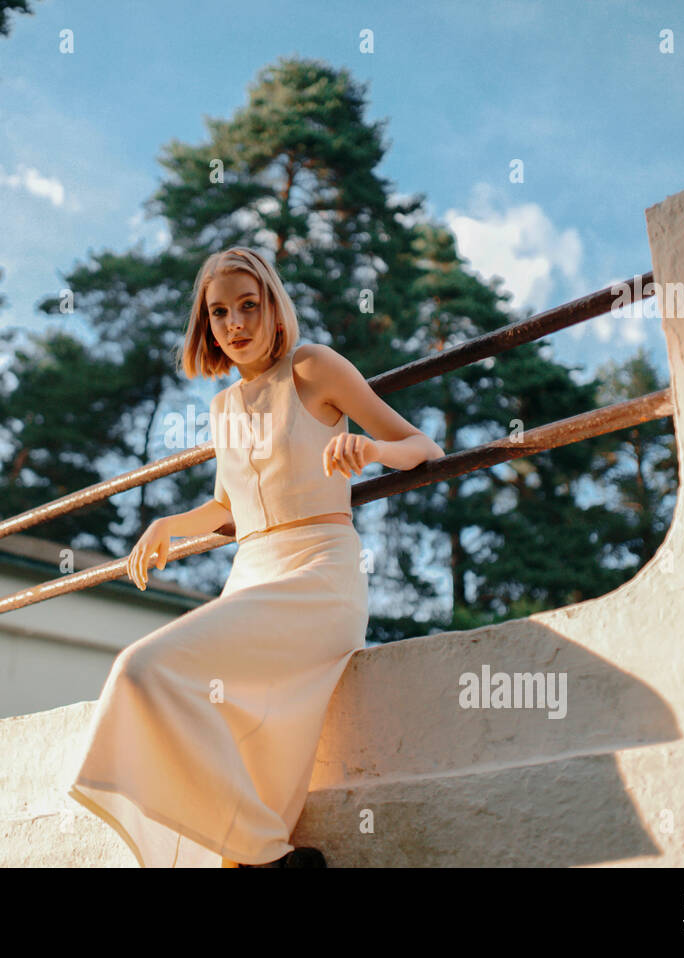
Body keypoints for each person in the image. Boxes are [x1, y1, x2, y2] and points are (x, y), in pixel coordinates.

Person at [66, 246, 444, 867]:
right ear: (206, 325)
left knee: (142, 667)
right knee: (208, 720)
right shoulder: (222, 408)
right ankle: (262, 857)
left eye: (249, 305)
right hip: (248, 580)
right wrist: (169, 523)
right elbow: (227, 505)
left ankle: (266, 855)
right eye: (219, 313)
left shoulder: (314, 367)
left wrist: (371, 452)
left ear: (274, 305)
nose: (236, 323)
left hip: (318, 577)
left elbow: (421, 446)